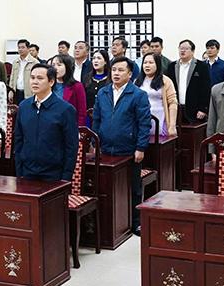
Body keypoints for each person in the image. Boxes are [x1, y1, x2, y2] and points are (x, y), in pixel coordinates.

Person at [93, 56, 151, 236]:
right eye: (114, 70)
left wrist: (141, 147)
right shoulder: (103, 92)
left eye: (121, 70)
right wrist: (95, 141)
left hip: (129, 149)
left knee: (133, 187)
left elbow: (144, 123)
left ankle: (136, 222)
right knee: (107, 187)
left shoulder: (138, 95)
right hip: (105, 148)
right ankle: (112, 223)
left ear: (130, 74)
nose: (116, 73)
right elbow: (96, 119)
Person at [14, 64, 79, 181]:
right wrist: (19, 171)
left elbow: (71, 147)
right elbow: (18, 140)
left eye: (40, 78)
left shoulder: (65, 109)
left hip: (54, 175)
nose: (35, 82)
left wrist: (65, 178)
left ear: (51, 82)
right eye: (32, 78)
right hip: (27, 172)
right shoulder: (24, 106)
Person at [164, 39, 211, 124]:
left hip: (195, 110)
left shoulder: (201, 66)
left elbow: (206, 89)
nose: (182, 50)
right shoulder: (172, 66)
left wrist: (203, 109)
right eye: (181, 48)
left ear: (193, 51)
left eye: (186, 48)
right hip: (176, 109)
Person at [136, 53, 177, 137]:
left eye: (151, 62)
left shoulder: (166, 81)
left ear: (157, 65)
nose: (147, 65)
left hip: (160, 119)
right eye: (145, 63)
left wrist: (172, 125)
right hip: (141, 119)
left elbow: (173, 103)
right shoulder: (137, 81)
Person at [51, 54, 87, 126]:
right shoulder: (48, 85)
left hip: (69, 125)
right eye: (53, 65)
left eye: (59, 65)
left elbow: (82, 112)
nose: (55, 68)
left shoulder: (77, 86)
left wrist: (79, 128)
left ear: (67, 67)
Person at [8, 39, 39, 103]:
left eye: (23, 47)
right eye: (19, 47)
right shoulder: (15, 62)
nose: (20, 49)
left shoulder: (34, 62)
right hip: (16, 92)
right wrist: (11, 91)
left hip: (29, 93)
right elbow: (12, 78)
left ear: (28, 48)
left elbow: (37, 80)